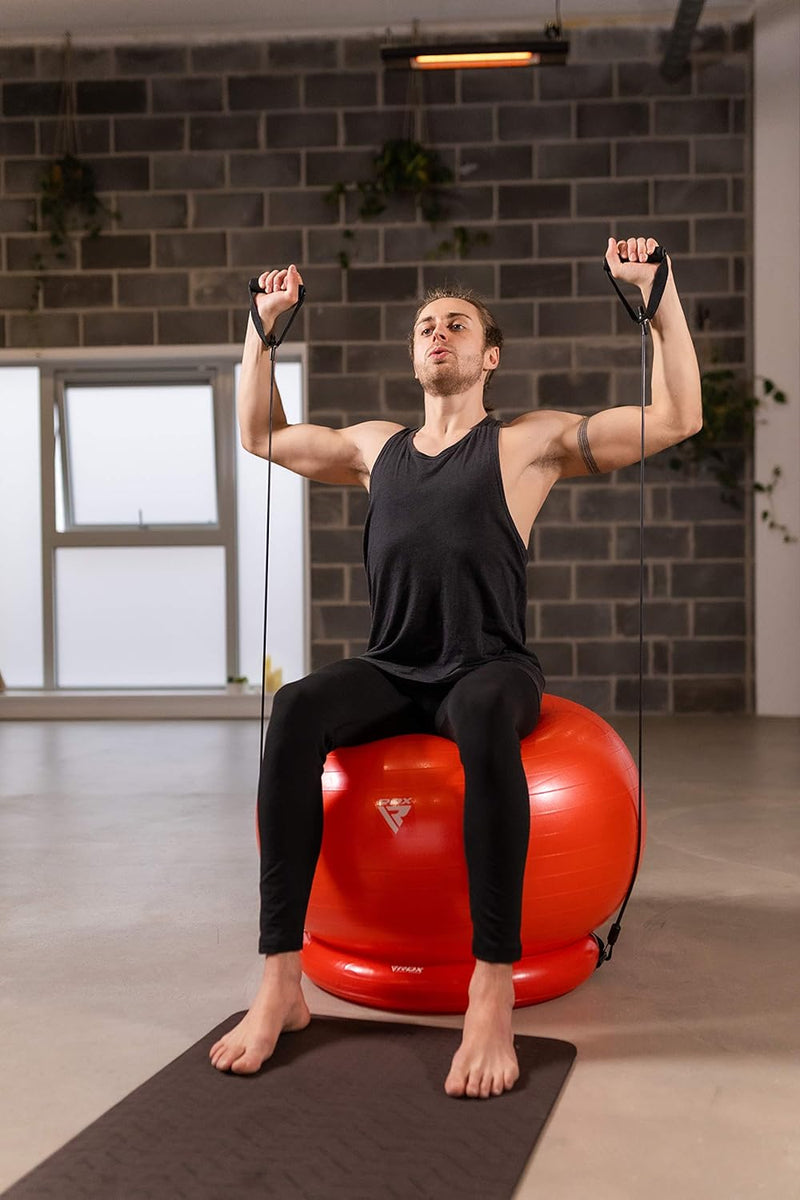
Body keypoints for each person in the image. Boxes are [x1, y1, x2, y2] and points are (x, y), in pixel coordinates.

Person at [210, 237, 703, 1099]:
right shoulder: (374, 449)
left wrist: (658, 298)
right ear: (414, 354)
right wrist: (261, 328)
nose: (438, 332)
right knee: (294, 708)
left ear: (489, 355)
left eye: (458, 323)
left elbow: (675, 419)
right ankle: (280, 978)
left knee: (479, 715)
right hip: (397, 667)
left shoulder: (527, 445)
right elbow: (259, 435)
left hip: (490, 668)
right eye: (426, 325)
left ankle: (490, 989)